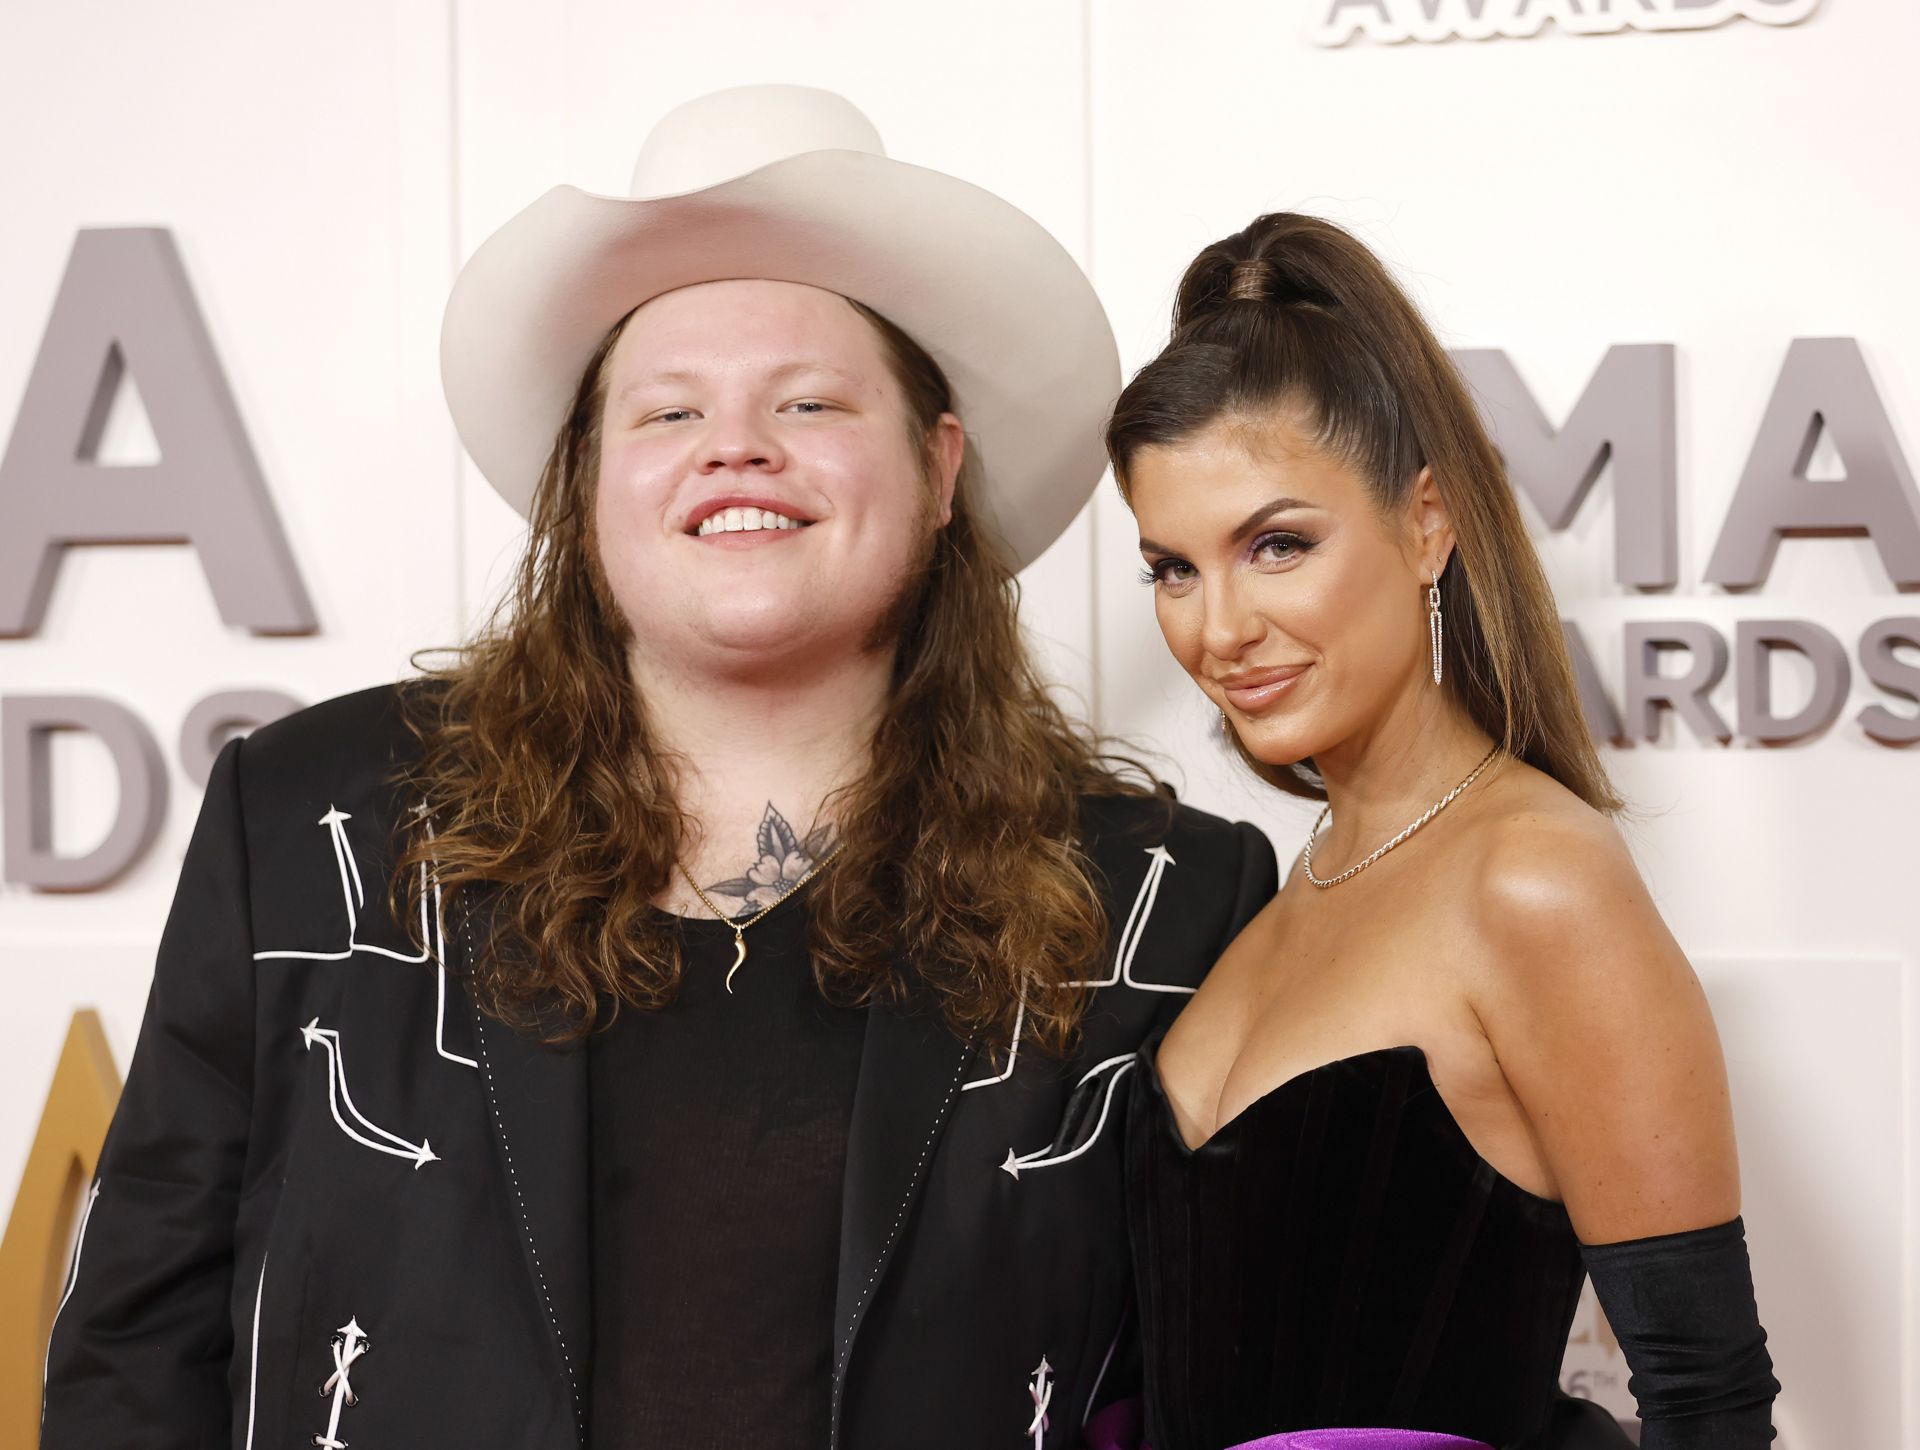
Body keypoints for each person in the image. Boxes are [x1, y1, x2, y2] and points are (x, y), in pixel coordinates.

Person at [38, 87, 1277, 1450]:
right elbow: (134, 1356)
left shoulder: (1167, 900)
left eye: (809, 400)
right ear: (581, 483)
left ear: (937, 471)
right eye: (667, 409)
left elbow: (1221, 1391)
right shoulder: (306, 819)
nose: (735, 446)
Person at [1105, 213, 1779, 1450]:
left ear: (1428, 524)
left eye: (1278, 545)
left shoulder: (1535, 878)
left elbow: (1708, 1402)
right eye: (1174, 569)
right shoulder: (1265, 897)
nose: (1221, 627)